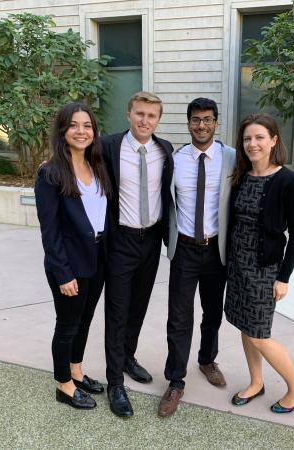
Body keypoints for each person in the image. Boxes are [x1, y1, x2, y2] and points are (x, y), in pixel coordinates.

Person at [225, 113, 294, 414]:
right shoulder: (241, 176)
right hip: (238, 266)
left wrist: (283, 277)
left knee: (260, 335)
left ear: (274, 140)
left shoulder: (288, 181)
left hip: (264, 269)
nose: (252, 144)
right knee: (246, 328)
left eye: (260, 137)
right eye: (247, 138)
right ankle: (256, 382)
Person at [158, 98, 236, 417]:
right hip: (185, 249)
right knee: (178, 316)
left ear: (216, 123)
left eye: (207, 119)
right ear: (188, 123)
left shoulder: (232, 158)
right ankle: (176, 380)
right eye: (195, 120)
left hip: (217, 249)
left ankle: (206, 359)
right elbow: (165, 203)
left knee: (212, 312)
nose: (201, 125)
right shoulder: (174, 160)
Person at [35, 102, 112, 409]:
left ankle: (76, 372)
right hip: (69, 263)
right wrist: (62, 272)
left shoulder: (97, 166)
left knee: (84, 320)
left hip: (97, 258)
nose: (81, 131)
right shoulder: (50, 173)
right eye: (74, 125)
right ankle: (63, 385)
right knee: (67, 325)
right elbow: (49, 231)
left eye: (87, 126)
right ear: (63, 131)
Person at [101, 91, 174, 418]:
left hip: (151, 240)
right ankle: (115, 382)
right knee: (117, 311)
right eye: (140, 114)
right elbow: (75, 159)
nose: (145, 120)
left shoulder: (165, 150)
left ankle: (128, 356)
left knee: (139, 306)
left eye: (152, 116)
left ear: (158, 120)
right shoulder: (108, 147)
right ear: (129, 114)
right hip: (121, 241)